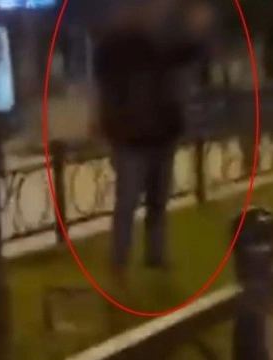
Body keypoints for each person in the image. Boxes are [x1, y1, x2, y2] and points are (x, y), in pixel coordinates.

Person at [92, 0, 214, 288]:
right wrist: (105, 122)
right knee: (128, 202)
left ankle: (155, 255)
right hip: (131, 135)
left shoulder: (159, 41)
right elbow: (104, 87)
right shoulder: (115, 45)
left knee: (157, 201)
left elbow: (186, 55)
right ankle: (119, 261)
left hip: (161, 131)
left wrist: (197, 31)